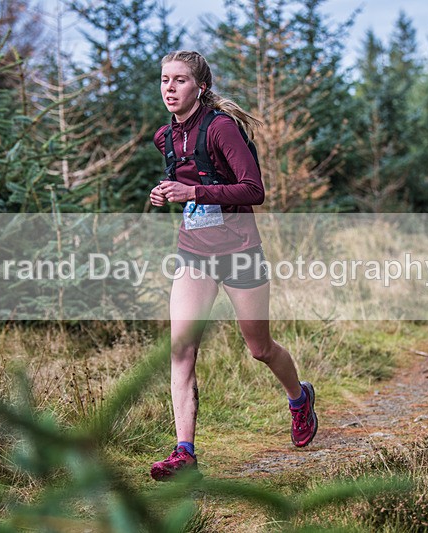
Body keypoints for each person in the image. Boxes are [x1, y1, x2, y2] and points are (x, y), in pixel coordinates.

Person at [148, 50, 318, 481]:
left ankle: (299, 399)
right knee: (181, 349)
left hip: (240, 251)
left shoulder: (221, 129)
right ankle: (184, 453)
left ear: (200, 87)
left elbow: (253, 190)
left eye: (180, 80)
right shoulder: (164, 137)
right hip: (194, 254)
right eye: (165, 80)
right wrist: (164, 193)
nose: (170, 88)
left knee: (259, 348)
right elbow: (189, 182)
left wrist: (194, 195)